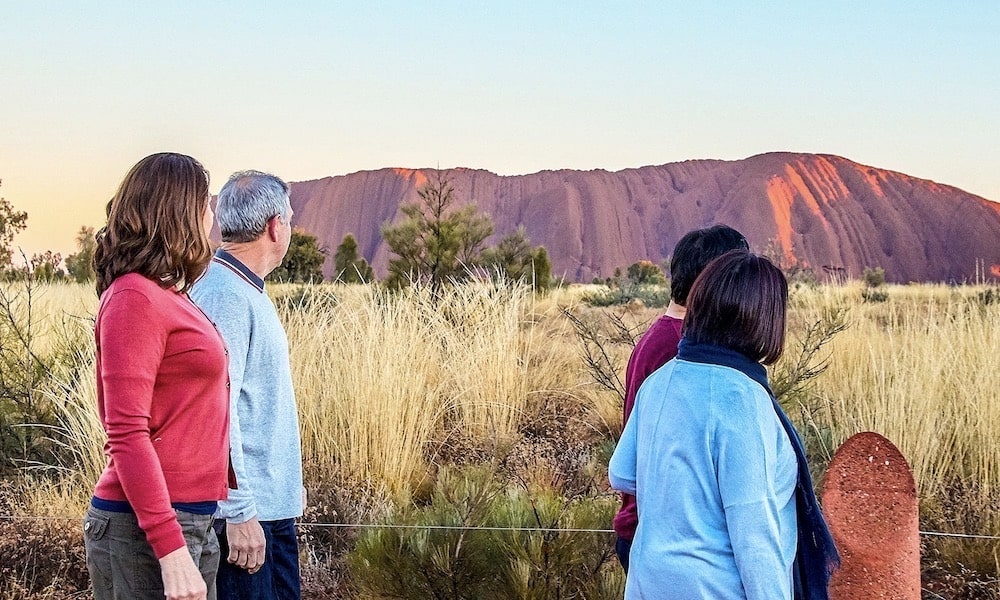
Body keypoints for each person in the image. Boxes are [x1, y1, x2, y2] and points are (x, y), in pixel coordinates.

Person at [609, 250, 839, 599]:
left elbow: (621, 474)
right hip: (714, 588)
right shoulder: (742, 398)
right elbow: (756, 538)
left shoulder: (660, 380)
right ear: (764, 318)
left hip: (649, 581)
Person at [83, 152, 232, 600]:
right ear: (179, 210)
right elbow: (126, 431)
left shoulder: (167, 294)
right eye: (205, 204)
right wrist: (170, 549)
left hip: (193, 517)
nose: (212, 217)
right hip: (147, 528)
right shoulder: (134, 297)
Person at [190, 170, 304, 599]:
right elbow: (216, 410)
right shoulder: (225, 296)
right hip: (246, 521)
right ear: (275, 226)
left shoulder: (242, 289)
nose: (290, 229)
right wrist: (237, 512)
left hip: (266, 511)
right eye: (289, 220)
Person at [612, 224, 749, 572]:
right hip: (665, 538)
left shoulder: (666, 338)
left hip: (658, 531)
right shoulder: (679, 350)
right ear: (714, 281)